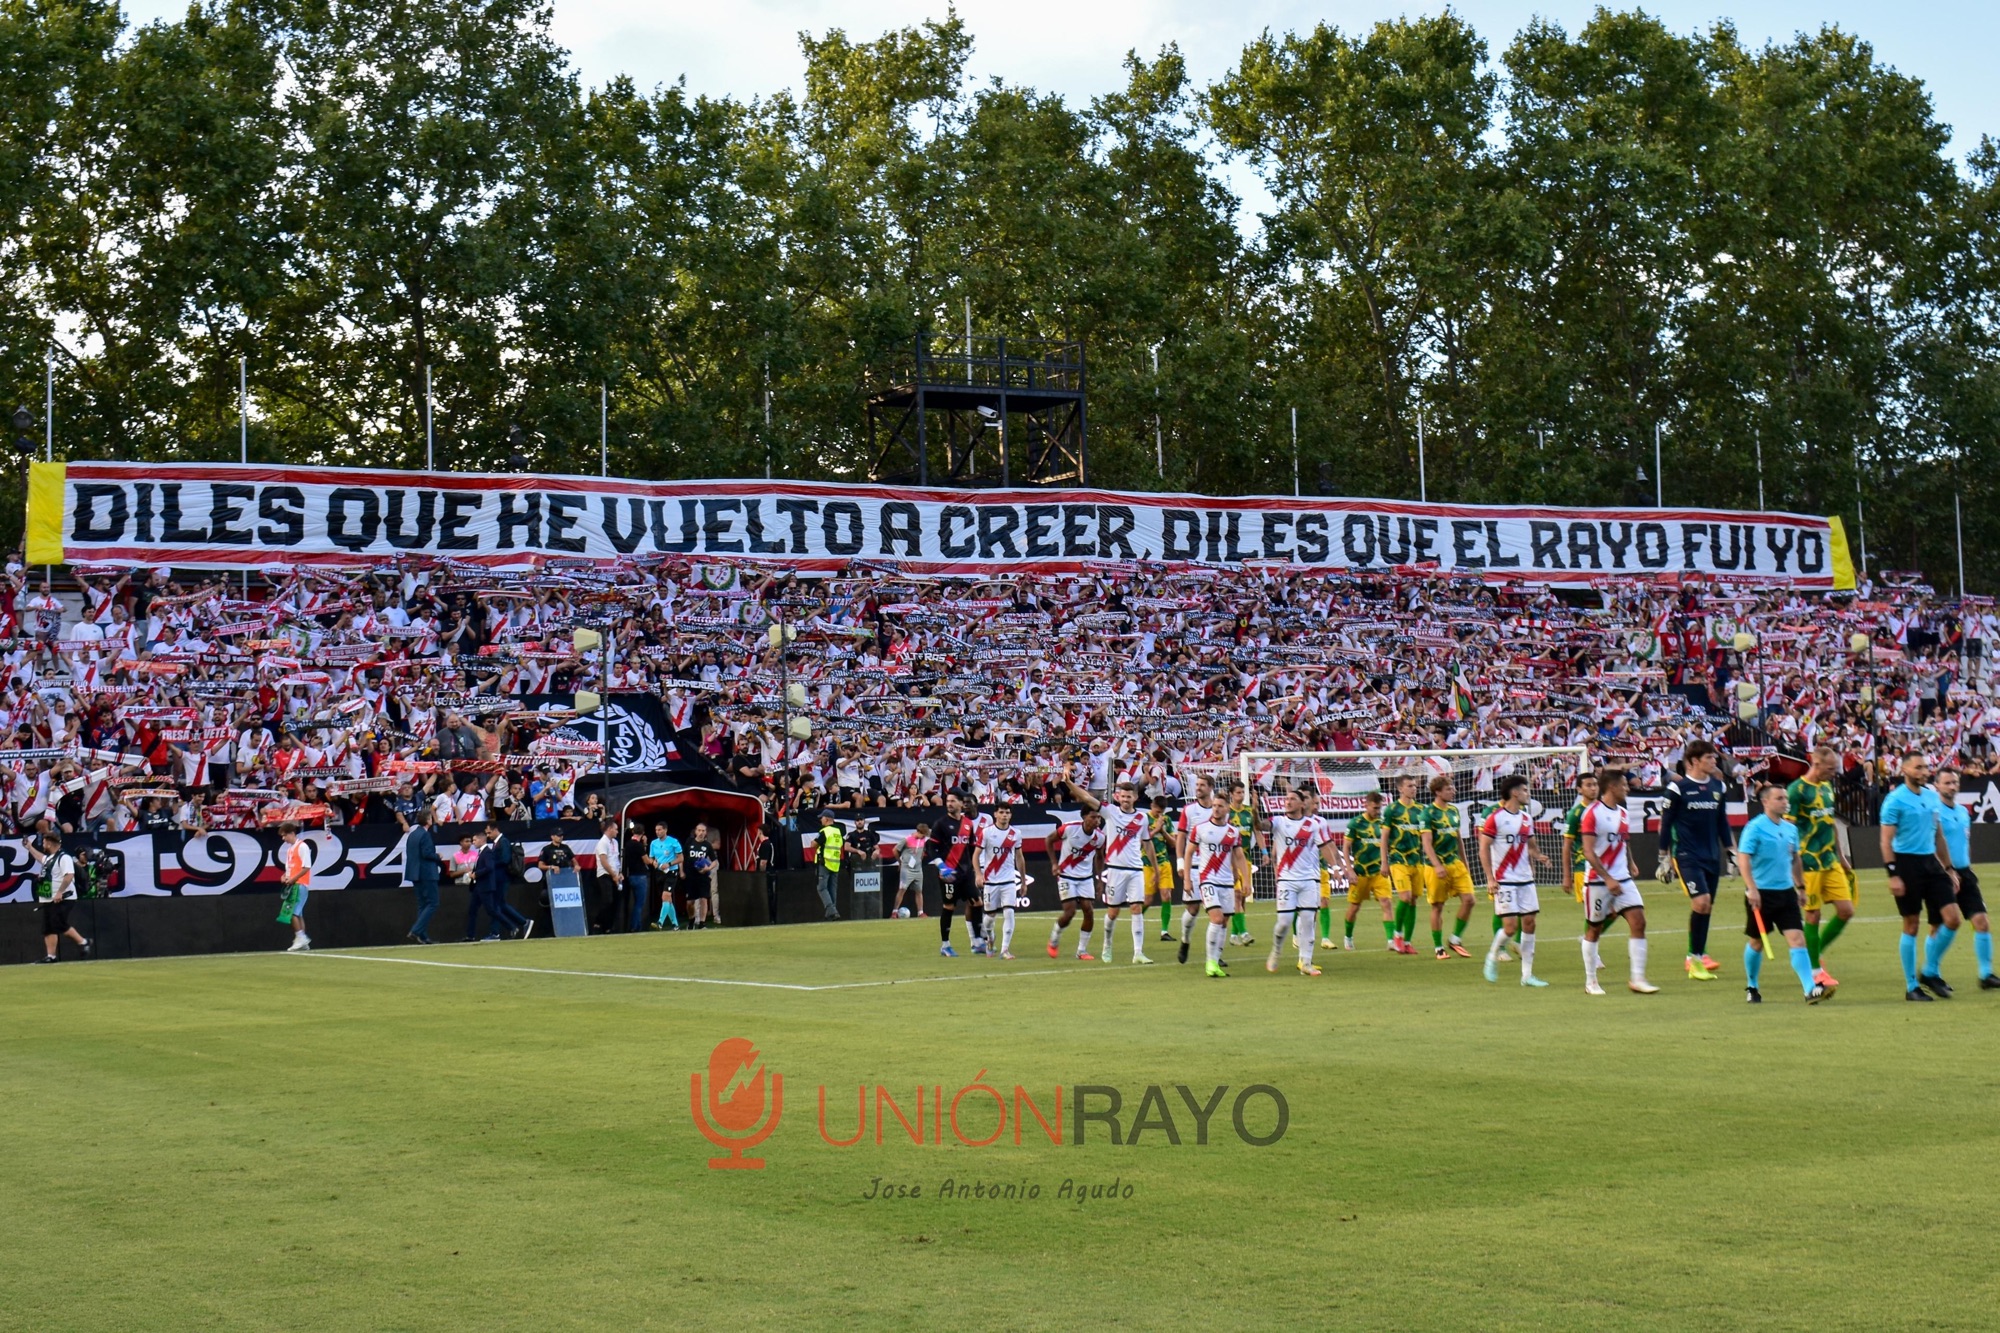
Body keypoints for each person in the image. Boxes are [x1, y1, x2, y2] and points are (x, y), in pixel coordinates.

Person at [1736, 782, 1832, 1004]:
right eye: (1779, 799)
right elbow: (1744, 859)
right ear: (1765, 802)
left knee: (1797, 939)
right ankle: (1752, 985)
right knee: (1756, 942)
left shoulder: (1791, 829)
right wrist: (1751, 888)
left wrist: (1800, 887)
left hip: (1786, 892)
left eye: (1786, 799)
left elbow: (1795, 859)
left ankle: (1810, 989)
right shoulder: (1755, 827)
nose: (1785, 802)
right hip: (1761, 894)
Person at [1881, 754, 1961, 1001]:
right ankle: (1911, 986)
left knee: (1953, 919)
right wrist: (1893, 874)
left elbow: (1938, 837)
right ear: (1904, 769)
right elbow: (1885, 840)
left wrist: (1949, 868)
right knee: (1912, 925)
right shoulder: (1894, 800)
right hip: (1906, 864)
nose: (1924, 771)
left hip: (1931, 863)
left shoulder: (1931, 797)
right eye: (1918, 767)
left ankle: (1929, 970)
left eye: (1926, 767)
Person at [1578, 768, 1657, 995]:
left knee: (1639, 922)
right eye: (1623, 784)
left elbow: (1624, 841)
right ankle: (1591, 981)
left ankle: (1638, 979)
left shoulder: (1623, 812)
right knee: (1594, 929)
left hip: (1622, 879)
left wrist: (1630, 862)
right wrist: (1607, 878)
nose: (1627, 788)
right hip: (1598, 882)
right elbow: (1589, 852)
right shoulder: (1592, 813)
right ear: (1612, 787)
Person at [1657, 739, 1731, 981]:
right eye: (1709, 757)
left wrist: (1731, 851)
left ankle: (1698, 954)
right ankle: (1694, 958)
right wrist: (1663, 858)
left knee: (1706, 906)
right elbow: (1665, 825)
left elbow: (1722, 821)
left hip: (1712, 855)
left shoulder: (1718, 787)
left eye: (1714, 757)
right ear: (1694, 761)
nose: (1714, 761)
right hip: (1687, 855)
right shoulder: (1678, 789)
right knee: (1701, 902)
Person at [1065, 777, 1153, 964]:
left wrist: (1154, 868)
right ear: (1118, 797)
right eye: (1123, 796)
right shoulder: (1110, 812)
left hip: (1136, 869)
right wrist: (1069, 783)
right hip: (1115, 869)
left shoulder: (1142, 818)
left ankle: (1138, 952)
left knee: (1136, 908)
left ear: (1135, 797)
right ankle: (1107, 945)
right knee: (1113, 912)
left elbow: (1147, 843)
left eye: (1129, 796)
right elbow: (1087, 798)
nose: (1126, 800)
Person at [1788, 744, 1854, 987]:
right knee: (1813, 914)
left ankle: (1812, 953)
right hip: (1809, 862)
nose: (1834, 773)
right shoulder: (1797, 791)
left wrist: (1842, 855)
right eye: (1830, 768)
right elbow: (1789, 829)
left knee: (1846, 910)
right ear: (1816, 764)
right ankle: (1815, 971)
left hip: (1830, 859)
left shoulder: (1827, 787)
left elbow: (1830, 821)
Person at [1479, 774, 1552, 986]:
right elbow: (1483, 848)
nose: (1528, 794)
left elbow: (1530, 845)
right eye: (1525, 790)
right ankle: (1492, 956)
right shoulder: (1496, 818)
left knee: (1530, 923)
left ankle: (1527, 975)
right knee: (1510, 928)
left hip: (1525, 879)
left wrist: (1539, 856)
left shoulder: (1526, 818)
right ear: (1514, 792)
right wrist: (1490, 878)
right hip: (1505, 879)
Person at [1932, 768, 1999, 990]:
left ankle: (1986, 974)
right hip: (1941, 875)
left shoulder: (1962, 812)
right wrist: (1945, 869)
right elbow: (1931, 845)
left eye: (1954, 782)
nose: (1952, 786)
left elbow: (1964, 842)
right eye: (1947, 783)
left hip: (1964, 873)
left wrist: (1966, 868)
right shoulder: (1934, 812)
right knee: (1939, 926)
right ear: (1937, 786)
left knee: (1981, 922)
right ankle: (1933, 973)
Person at [1180, 789, 1248, 978]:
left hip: (1226, 882)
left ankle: (1216, 959)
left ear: (1228, 808)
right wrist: (1187, 878)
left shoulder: (1233, 832)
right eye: (1214, 806)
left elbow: (1239, 856)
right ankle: (1210, 963)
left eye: (1220, 806)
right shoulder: (1200, 828)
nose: (1216, 809)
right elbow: (1189, 852)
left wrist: (1246, 880)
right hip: (1207, 879)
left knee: (1224, 922)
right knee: (1216, 918)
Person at [1265, 784, 1332, 976]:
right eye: (1286, 799)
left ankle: (1306, 962)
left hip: (1309, 879)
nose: (1287, 802)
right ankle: (1276, 950)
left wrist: (1336, 867)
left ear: (1302, 804)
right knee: (1285, 921)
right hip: (1286, 879)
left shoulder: (1313, 825)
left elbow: (1325, 846)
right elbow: (1263, 825)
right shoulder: (1278, 821)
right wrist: (1255, 814)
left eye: (1292, 799)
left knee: (1308, 920)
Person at [1420, 773, 1474, 959]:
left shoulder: (1453, 811)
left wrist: (1465, 863)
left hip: (1455, 863)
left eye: (1452, 788)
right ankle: (1438, 948)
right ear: (1437, 792)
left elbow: (1458, 838)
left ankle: (1455, 939)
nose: (1453, 791)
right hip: (1436, 867)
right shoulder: (1428, 813)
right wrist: (1437, 865)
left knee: (1469, 900)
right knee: (1438, 906)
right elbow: (1426, 843)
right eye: (1449, 789)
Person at [927, 791, 985, 957]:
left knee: (977, 903)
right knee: (949, 907)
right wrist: (941, 866)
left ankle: (977, 941)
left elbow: (972, 847)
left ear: (961, 803)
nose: (949, 804)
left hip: (966, 873)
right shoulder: (941, 824)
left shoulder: (968, 824)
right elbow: (932, 848)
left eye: (953, 801)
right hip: (948, 874)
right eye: (948, 801)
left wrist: (977, 868)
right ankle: (945, 945)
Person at [1046, 806, 1104, 960]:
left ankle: (1082, 950)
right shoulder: (1070, 829)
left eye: (1099, 817)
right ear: (1084, 817)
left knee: (1089, 911)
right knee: (1070, 912)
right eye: (1093, 817)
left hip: (1085, 878)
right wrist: (1054, 863)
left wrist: (1099, 880)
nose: (1097, 821)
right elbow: (1049, 840)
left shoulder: (1100, 837)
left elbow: (1100, 857)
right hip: (1066, 875)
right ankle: (1054, 940)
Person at [1341, 790, 1395, 951]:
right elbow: (1345, 847)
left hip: (1379, 872)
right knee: (1354, 907)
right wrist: (1349, 870)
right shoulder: (1355, 823)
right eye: (1375, 808)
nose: (1377, 812)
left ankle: (1391, 940)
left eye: (1379, 808)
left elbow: (1388, 845)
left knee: (1387, 903)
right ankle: (1348, 937)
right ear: (1366, 805)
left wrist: (1387, 863)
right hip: (1361, 873)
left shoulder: (1383, 823)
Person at [1384, 774, 1428, 955]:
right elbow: (1384, 838)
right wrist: (1384, 862)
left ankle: (1407, 942)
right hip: (1398, 860)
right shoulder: (1392, 810)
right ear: (1400, 788)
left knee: (1413, 901)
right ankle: (1397, 935)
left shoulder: (1421, 810)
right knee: (1405, 897)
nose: (1414, 789)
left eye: (1415, 786)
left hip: (1417, 861)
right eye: (1410, 786)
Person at [974, 804, 1025, 958]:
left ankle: (1004, 949)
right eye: (1001, 812)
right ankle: (990, 937)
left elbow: (1019, 857)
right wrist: (978, 874)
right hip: (990, 880)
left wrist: (1022, 880)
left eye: (1007, 813)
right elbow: (976, 855)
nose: (1004, 815)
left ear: (1010, 815)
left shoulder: (1016, 833)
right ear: (995, 814)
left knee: (1009, 912)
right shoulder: (987, 833)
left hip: (1009, 880)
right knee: (989, 917)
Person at [31, 831, 89, 964]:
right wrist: (29, 847)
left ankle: (83, 942)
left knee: (57, 923)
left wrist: (60, 892)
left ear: (50, 843)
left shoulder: (64, 858)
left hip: (64, 897)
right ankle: (51, 956)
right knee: (48, 927)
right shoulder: (51, 858)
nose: (43, 845)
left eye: (45, 842)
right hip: (48, 898)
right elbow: (40, 857)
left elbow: (69, 875)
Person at [476, 824, 532, 940]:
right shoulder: (498, 842)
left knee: (498, 905)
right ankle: (520, 922)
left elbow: (505, 859)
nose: (488, 835)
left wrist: (491, 863)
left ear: (496, 830)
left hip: (502, 878)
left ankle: (499, 931)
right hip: (498, 878)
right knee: (498, 905)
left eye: (489, 833)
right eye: (487, 833)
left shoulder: (503, 841)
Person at [403, 807, 442, 944]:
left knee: (422, 904)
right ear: (428, 820)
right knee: (433, 903)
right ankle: (416, 930)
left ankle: (423, 936)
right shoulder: (425, 835)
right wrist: (437, 856)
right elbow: (426, 854)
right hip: (426, 873)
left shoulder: (412, 835)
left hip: (414, 873)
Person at [1560, 771, 1599, 906]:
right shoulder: (1575, 814)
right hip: (1583, 868)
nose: (1593, 788)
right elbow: (1566, 846)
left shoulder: (1603, 809)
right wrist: (1566, 876)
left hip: (1604, 865)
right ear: (1579, 790)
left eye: (1595, 784)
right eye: (1588, 785)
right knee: (1593, 911)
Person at [1144, 796, 1177, 943]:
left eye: (1161, 811)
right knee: (1148, 899)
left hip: (1164, 862)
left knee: (1166, 895)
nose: (1159, 814)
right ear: (1152, 806)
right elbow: (1141, 841)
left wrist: (1162, 831)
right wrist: (1156, 829)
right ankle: (1137, 920)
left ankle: (1164, 931)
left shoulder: (1167, 821)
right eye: (1157, 811)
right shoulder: (1144, 819)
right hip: (1147, 863)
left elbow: (1174, 843)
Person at [278, 821, 312, 953]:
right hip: (293, 883)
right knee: (298, 913)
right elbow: (291, 867)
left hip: (299, 883)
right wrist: (284, 875)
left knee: (291, 912)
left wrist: (292, 878)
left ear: (292, 833)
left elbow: (306, 867)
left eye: (284, 835)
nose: (283, 838)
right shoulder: (291, 849)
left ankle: (300, 937)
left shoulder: (302, 846)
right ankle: (302, 939)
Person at [592, 817, 625, 934]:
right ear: (610, 829)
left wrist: (619, 873)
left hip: (615, 874)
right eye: (616, 829)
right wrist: (613, 874)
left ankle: (609, 927)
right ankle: (598, 922)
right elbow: (603, 861)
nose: (617, 831)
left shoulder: (615, 842)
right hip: (605, 874)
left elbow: (616, 859)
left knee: (616, 901)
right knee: (608, 900)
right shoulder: (602, 842)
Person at [649, 822, 685, 929]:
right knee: (667, 899)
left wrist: (669, 864)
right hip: (659, 873)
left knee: (666, 896)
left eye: (660, 830)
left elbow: (681, 858)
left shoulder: (673, 842)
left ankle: (660, 922)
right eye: (656, 830)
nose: (658, 832)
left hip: (671, 872)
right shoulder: (653, 843)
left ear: (665, 830)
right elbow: (651, 857)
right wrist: (653, 862)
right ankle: (675, 925)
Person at [891, 824, 929, 918]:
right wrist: (900, 862)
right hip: (906, 868)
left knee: (919, 890)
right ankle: (894, 912)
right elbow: (895, 850)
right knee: (902, 889)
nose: (924, 836)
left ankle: (920, 912)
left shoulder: (923, 840)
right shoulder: (907, 839)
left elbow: (923, 852)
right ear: (918, 832)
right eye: (923, 834)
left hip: (918, 868)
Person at [812, 811, 843, 921]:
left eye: (822, 818)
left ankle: (832, 911)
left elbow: (814, 844)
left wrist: (814, 842)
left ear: (827, 819)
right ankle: (830, 915)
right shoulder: (838, 831)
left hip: (825, 862)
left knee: (821, 888)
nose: (821, 820)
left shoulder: (824, 831)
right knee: (832, 889)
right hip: (835, 863)